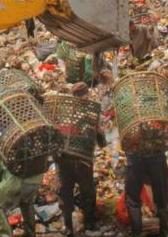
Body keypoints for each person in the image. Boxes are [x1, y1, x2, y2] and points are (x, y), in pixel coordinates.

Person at [57, 82, 104, 236]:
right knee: (88, 192)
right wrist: (102, 142)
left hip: (63, 160)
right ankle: (89, 224)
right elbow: (101, 139)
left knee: (65, 192)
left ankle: (68, 227)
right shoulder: (90, 114)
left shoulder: (62, 112)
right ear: (86, 95)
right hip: (83, 161)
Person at [0, 149, 44, 237]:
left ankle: (6, 234)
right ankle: (30, 233)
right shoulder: (24, 146)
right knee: (26, 202)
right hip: (36, 181)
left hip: (15, 183)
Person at [125, 149, 168, 237]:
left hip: (135, 157)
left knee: (133, 199)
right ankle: (164, 230)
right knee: (162, 195)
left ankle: (136, 233)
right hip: (157, 156)